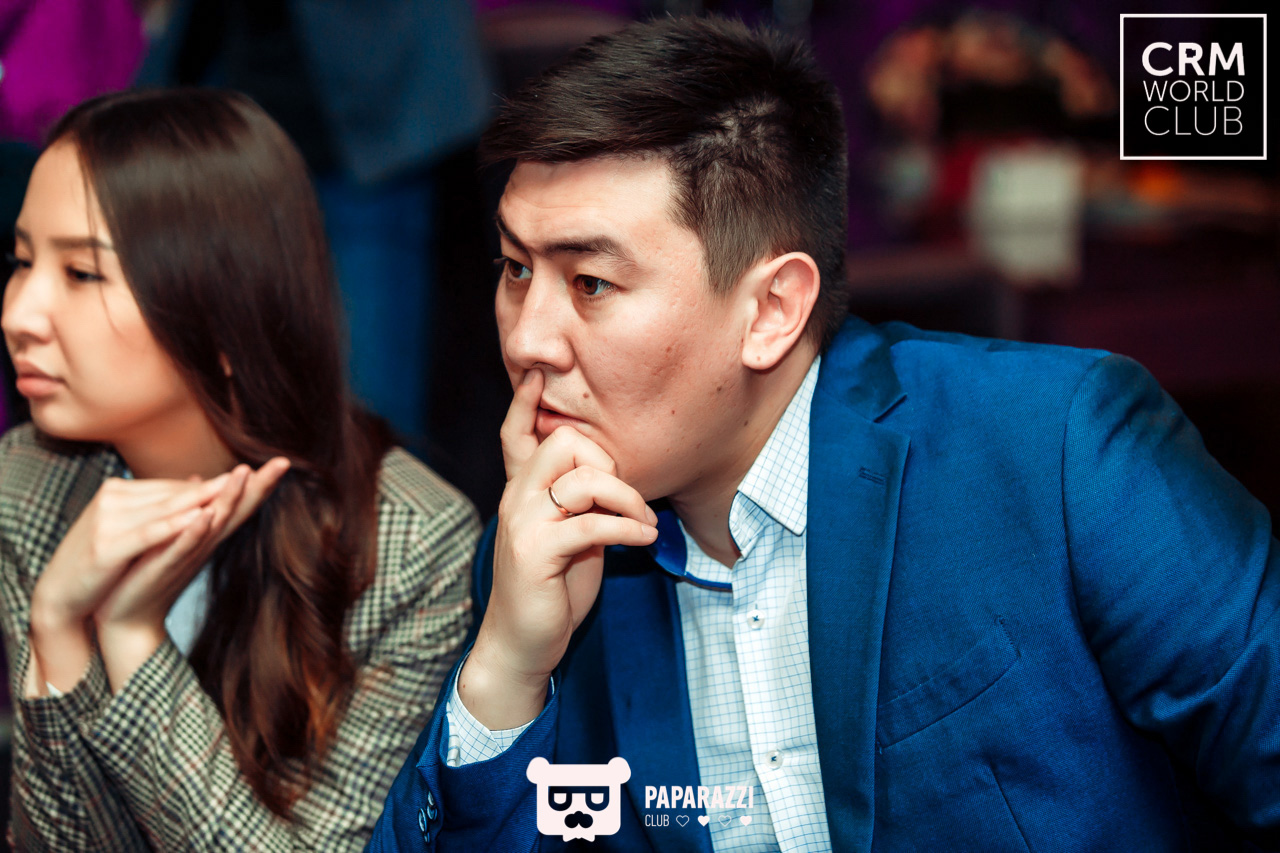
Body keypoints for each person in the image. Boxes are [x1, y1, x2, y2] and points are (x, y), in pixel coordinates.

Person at [369, 16, 1280, 853]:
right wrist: (506, 670)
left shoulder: (1058, 452)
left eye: (590, 283)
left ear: (773, 309)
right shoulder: (539, 558)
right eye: (514, 269)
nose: (526, 339)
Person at [0, 89, 479, 851]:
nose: (19, 315)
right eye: (21, 261)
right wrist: (58, 626)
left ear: (227, 313)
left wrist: (131, 634)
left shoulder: (413, 543)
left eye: (82, 273)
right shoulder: (31, 480)